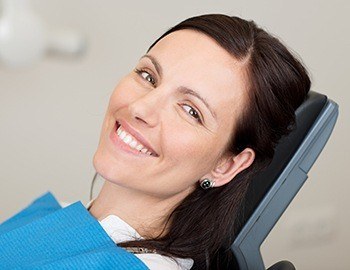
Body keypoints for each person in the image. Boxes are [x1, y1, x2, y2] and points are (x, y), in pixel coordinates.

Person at [0, 13, 311, 270]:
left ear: (226, 165)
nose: (139, 108)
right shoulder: (62, 213)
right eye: (148, 76)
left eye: (191, 111)